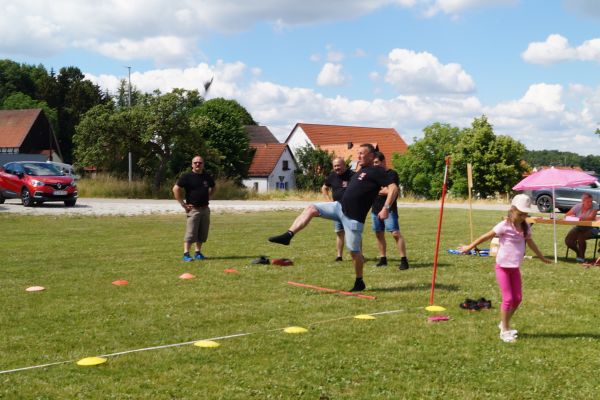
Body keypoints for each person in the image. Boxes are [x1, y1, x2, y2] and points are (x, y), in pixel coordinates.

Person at [268, 144, 399, 292]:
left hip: (353, 218)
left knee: (354, 252)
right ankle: (288, 235)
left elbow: (394, 188)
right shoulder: (360, 171)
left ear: (371, 156)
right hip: (339, 207)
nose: (358, 156)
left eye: (362, 153)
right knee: (311, 208)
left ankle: (359, 281)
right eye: (358, 153)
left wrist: (386, 208)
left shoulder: (377, 171)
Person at [460, 194, 551, 343]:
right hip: (502, 267)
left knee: (518, 299)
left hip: (515, 268)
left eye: (525, 214)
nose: (523, 217)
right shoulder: (504, 225)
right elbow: (486, 236)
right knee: (508, 299)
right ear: (512, 210)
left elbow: (531, 243)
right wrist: (469, 247)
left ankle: (504, 323)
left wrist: (541, 257)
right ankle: (505, 330)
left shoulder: (525, 227)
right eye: (520, 214)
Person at [172, 155, 216, 262]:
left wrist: (209, 197)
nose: (198, 164)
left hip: (205, 209)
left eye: (200, 163)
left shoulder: (207, 176)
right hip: (193, 209)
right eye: (195, 162)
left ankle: (198, 253)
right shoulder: (186, 176)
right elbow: (175, 189)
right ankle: (186, 254)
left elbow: (214, 187)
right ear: (192, 164)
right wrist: (183, 204)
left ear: (203, 164)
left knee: (202, 232)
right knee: (191, 232)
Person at [370, 152, 409, 270]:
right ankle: (383, 259)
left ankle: (404, 260)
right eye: (373, 163)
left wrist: (384, 190)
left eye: (377, 162)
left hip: (389, 209)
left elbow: (393, 191)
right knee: (378, 234)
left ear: (383, 161)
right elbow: (373, 190)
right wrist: (382, 190)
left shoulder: (392, 174)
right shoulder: (374, 175)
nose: (375, 165)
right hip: (375, 209)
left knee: (395, 233)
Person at [322, 157, 354, 262]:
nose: (336, 168)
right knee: (339, 233)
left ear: (344, 165)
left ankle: (359, 255)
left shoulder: (352, 175)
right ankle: (339, 256)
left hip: (351, 209)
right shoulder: (332, 176)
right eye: (335, 166)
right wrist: (328, 201)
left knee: (354, 233)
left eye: (338, 165)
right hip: (337, 209)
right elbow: (324, 188)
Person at [564, 193, 599, 263]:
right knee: (568, 241)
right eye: (588, 202)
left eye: (591, 201)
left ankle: (581, 257)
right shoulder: (578, 206)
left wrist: (577, 218)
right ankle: (578, 253)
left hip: (592, 228)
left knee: (581, 237)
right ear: (583, 201)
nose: (590, 203)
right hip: (579, 227)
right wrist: (574, 218)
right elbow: (566, 216)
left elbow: (591, 218)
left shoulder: (595, 205)